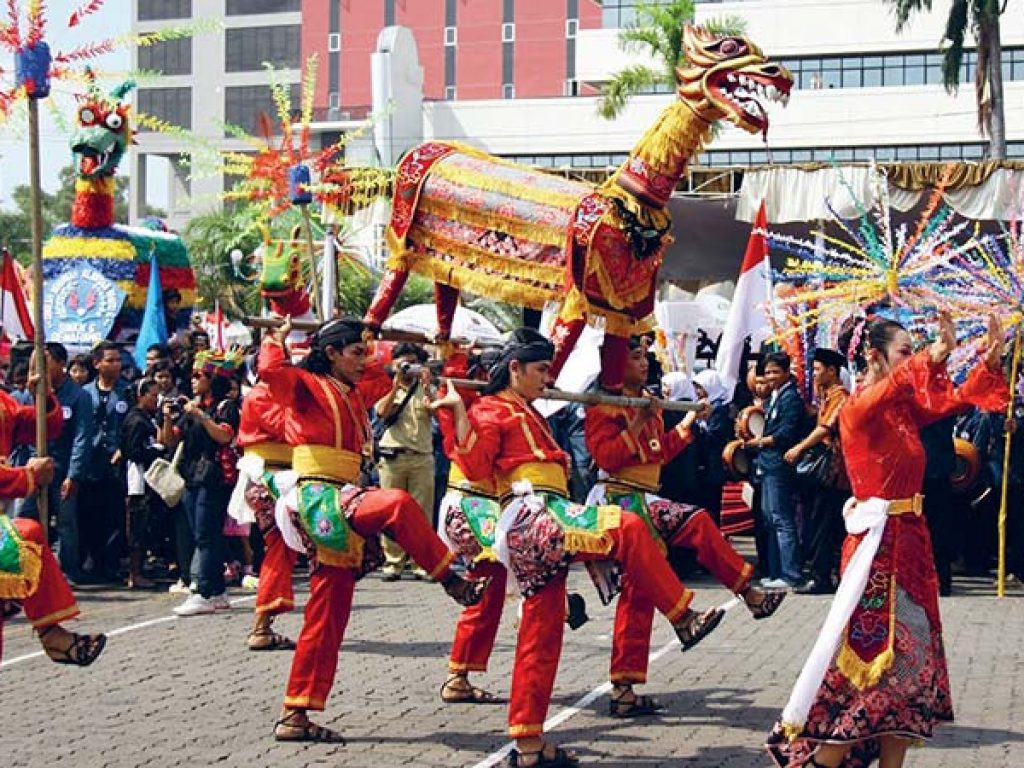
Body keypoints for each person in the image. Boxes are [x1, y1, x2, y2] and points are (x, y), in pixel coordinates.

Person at [437, 328, 726, 767]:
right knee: (627, 527)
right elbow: (475, 465)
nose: (546, 377)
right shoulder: (492, 410)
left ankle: (529, 747)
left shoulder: (528, 411)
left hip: (543, 520)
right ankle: (682, 617)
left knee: (542, 637)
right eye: (539, 370)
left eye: (548, 369)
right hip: (532, 516)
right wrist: (459, 415)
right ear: (513, 369)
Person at [767, 312, 1008, 768]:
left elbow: (953, 401)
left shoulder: (900, 410)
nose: (912, 359)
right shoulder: (858, 408)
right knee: (867, 672)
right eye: (904, 351)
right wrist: (937, 351)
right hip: (876, 556)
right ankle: (826, 761)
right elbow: (902, 384)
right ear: (875, 357)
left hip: (911, 548)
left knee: (910, 677)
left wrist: (988, 361)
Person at [259, 316, 488, 744]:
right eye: (355, 353)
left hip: (343, 493)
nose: (363, 360)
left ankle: (296, 714)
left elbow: (388, 378)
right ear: (330, 354)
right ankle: (449, 579)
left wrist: (446, 354)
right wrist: (274, 336)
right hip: (318, 495)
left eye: (364, 353)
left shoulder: (354, 390)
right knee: (397, 504)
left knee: (327, 619)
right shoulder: (305, 385)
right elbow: (271, 372)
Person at [585, 339, 784, 717]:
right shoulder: (603, 405)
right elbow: (607, 457)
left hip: (647, 496)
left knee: (652, 577)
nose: (645, 364)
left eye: (646, 356)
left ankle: (625, 689)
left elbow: (659, 453)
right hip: (617, 497)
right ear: (614, 363)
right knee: (680, 537)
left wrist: (690, 423)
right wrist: (640, 422)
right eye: (636, 357)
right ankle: (728, 603)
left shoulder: (647, 400)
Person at [14, 344, 94, 585]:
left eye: (45, 362)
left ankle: (66, 573)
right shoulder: (30, 394)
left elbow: (82, 438)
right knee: (23, 518)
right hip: (33, 468)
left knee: (66, 522)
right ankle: (23, 570)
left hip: (63, 468)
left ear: (60, 364)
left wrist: (74, 474)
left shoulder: (79, 396)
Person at [172, 350, 242, 616]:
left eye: (198, 376)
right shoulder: (192, 405)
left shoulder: (226, 406)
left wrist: (201, 415)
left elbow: (225, 436)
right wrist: (168, 417)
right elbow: (171, 439)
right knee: (201, 533)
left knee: (206, 534)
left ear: (212, 378)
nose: (193, 381)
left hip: (213, 475)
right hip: (191, 473)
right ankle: (217, 590)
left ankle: (202, 590)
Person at [235, 376, 297, 651]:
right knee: (279, 548)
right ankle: (261, 626)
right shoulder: (261, 395)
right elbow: (287, 427)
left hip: (281, 475)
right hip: (269, 476)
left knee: (281, 548)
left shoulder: (270, 394)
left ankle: (264, 623)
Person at [784, 348, 849, 595]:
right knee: (824, 523)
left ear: (832, 371)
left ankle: (822, 577)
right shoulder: (828, 396)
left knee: (825, 525)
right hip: (830, 471)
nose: (814, 374)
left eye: (819, 369)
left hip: (834, 471)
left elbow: (825, 429)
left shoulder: (840, 396)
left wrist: (799, 448)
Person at [375, 342, 437, 581]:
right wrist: (395, 385)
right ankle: (393, 563)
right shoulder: (385, 386)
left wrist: (427, 385)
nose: (407, 368)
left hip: (421, 457)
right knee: (391, 512)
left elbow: (437, 412)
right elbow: (382, 412)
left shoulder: (426, 388)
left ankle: (420, 562)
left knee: (421, 514)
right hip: (393, 457)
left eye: (412, 363)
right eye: (403, 363)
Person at [748, 351, 805, 589]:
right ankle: (775, 571)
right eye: (767, 372)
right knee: (769, 518)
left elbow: (786, 433)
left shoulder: (791, 397)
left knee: (781, 519)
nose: (770, 377)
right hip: (767, 464)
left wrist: (760, 442)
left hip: (779, 465)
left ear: (786, 372)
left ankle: (790, 573)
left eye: (775, 372)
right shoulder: (774, 397)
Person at [79, 341, 130, 583]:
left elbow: (131, 426)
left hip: (115, 464)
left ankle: (111, 565)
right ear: (97, 363)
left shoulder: (126, 391)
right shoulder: (84, 393)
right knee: (89, 515)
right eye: (110, 360)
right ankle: (93, 563)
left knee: (115, 517)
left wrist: (123, 448)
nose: (115, 364)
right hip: (90, 463)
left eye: (118, 360)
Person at [121, 377, 176, 589]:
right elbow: (133, 451)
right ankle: (135, 573)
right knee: (137, 527)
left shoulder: (147, 418)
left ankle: (142, 569)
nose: (156, 399)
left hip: (149, 480)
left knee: (146, 526)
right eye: (152, 396)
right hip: (137, 481)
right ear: (140, 396)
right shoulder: (136, 420)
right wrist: (156, 451)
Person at [691, 369, 734, 525]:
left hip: (713, 466)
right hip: (707, 466)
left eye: (700, 387)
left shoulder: (719, 410)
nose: (697, 392)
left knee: (711, 507)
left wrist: (700, 428)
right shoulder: (707, 405)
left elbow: (714, 437)